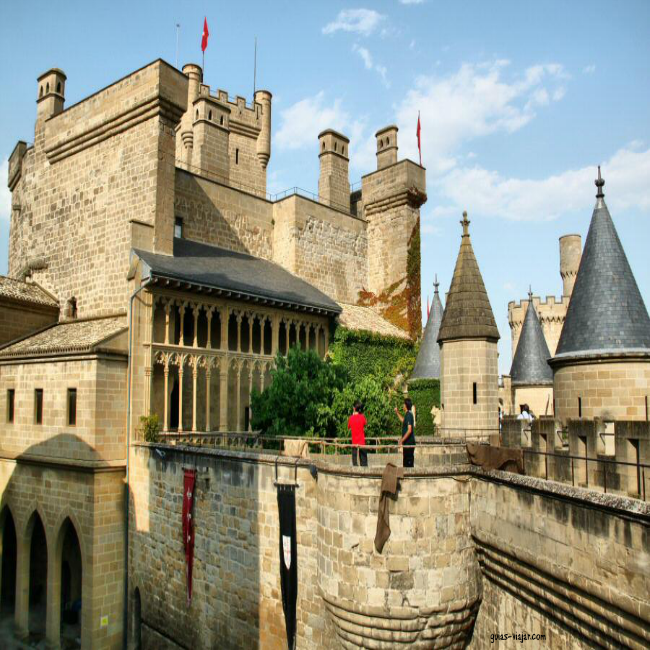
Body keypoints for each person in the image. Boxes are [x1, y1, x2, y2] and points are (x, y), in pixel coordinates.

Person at [394, 398, 416, 468]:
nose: (403, 405)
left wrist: (401, 440)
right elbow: (403, 420)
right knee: (405, 463)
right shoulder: (407, 414)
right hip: (406, 444)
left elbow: (409, 430)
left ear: (406, 405)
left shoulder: (409, 415)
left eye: (404, 404)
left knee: (408, 463)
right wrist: (397, 412)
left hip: (409, 444)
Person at [348, 400, 368, 467]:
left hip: (354, 442)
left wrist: (353, 415)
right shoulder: (362, 417)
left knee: (354, 460)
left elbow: (348, 426)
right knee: (364, 462)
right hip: (362, 441)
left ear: (354, 408)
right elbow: (366, 423)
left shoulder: (351, 418)